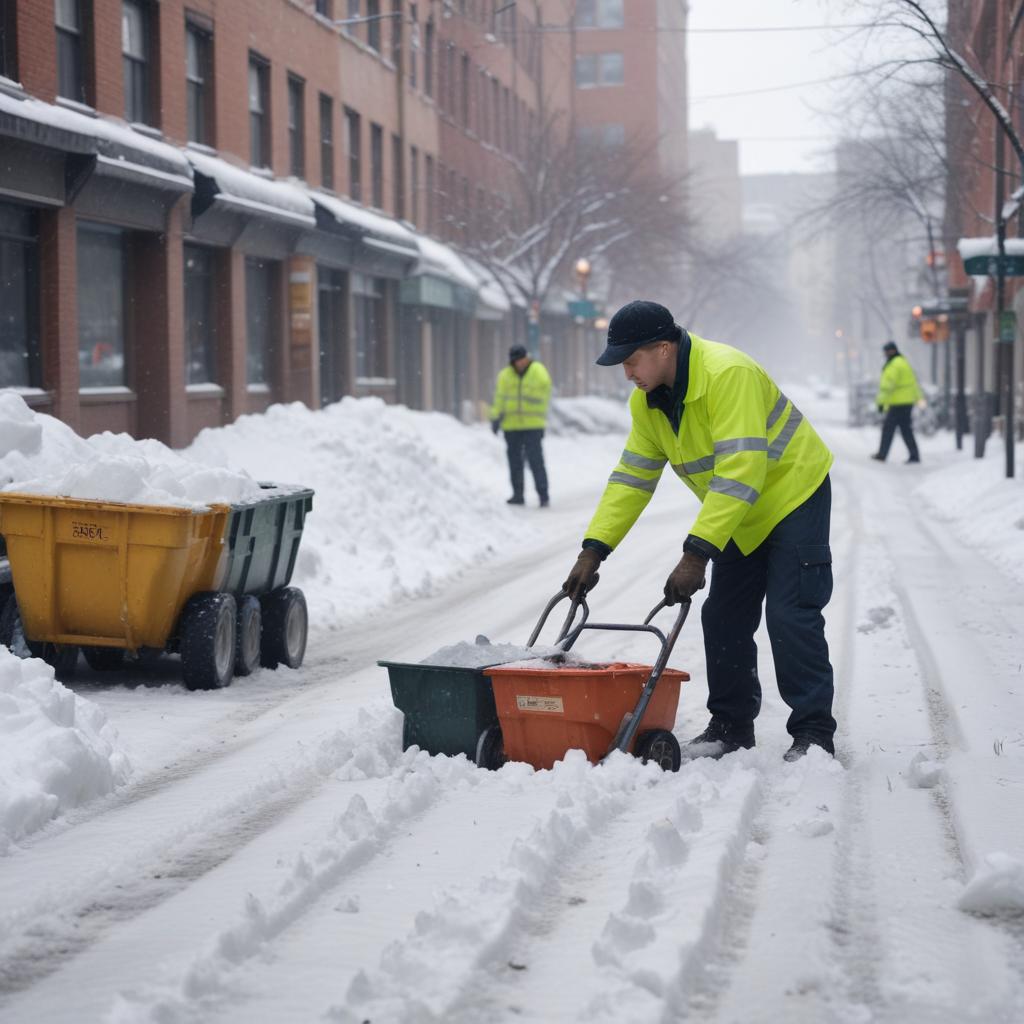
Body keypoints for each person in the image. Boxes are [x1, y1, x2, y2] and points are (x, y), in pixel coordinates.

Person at [561, 300, 837, 762]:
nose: (627, 373)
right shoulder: (648, 403)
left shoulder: (727, 375)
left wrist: (696, 553)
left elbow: (742, 468)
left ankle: (813, 733)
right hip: (738, 510)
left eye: (631, 360)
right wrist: (594, 549)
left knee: (790, 614)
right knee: (723, 616)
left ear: (664, 348)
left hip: (792, 495)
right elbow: (632, 479)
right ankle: (731, 726)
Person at [490, 344, 552, 507]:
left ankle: (543, 495)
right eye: (515, 360)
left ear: (526, 357)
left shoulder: (538, 371)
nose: (519, 363)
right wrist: (495, 417)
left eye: (521, 359)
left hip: (533, 425)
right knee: (514, 462)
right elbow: (499, 398)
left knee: (535, 461)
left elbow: (545, 392)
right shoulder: (505, 376)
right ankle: (518, 495)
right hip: (511, 426)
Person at [872, 340, 922, 464]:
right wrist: (918, 398)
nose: (885, 354)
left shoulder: (894, 365)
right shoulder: (903, 362)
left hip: (898, 402)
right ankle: (914, 455)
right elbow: (913, 382)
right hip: (907, 401)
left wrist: (881, 403)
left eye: (886, 352)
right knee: (906, 430)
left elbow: (887, 386)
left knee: (888, 429)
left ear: (891, 351)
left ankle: (882, 454)